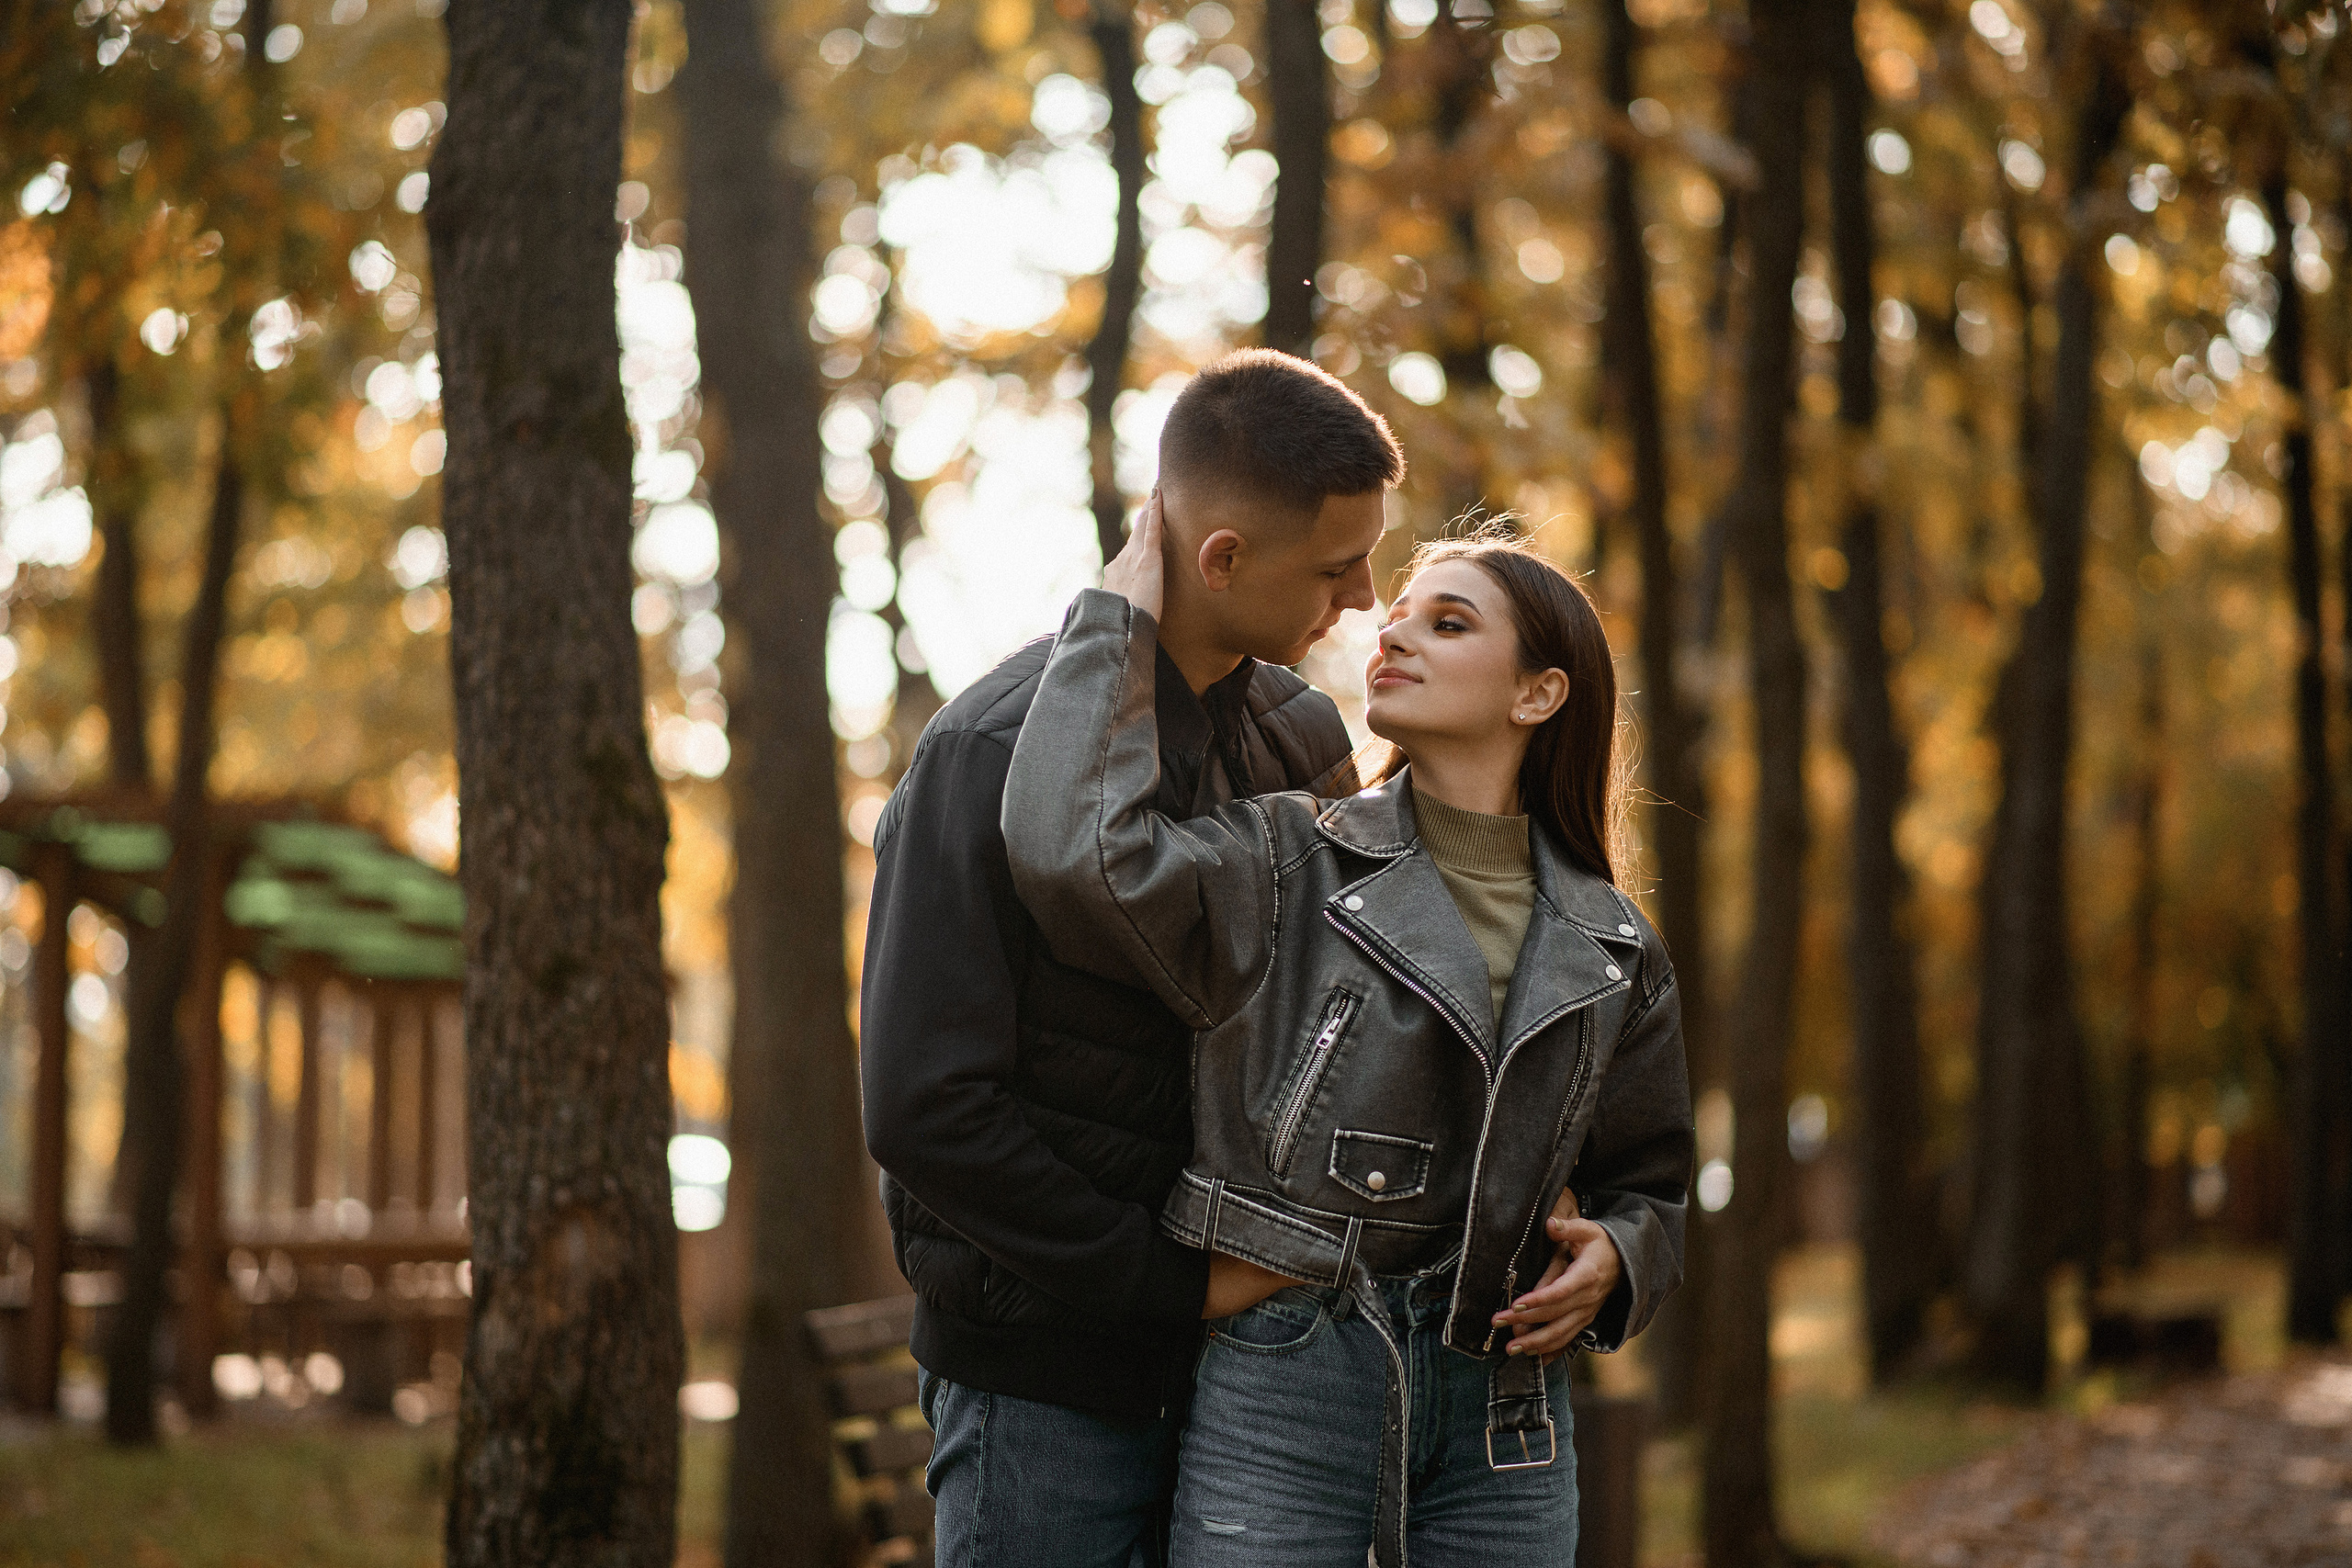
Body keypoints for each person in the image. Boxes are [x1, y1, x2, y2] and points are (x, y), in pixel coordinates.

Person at [1001, 505, 1693, 1568]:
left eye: (1448, 623)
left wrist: (1619, 1254)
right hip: (1286, 1383)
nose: (1393, 634)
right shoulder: (1281, 861)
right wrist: (1113, 622)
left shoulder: (1615, 945)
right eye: (1398, 616)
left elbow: (1649, 1182)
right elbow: (1073, 851)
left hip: (1506, 1417)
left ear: (1538, 693)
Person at [861, 349, 1401, 1567]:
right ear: (1221, 560)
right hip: (1043, 1394)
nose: (1364, 598)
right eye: (1334, 566)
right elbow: (924, 1106)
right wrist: (1166, 1281)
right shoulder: (984, 753)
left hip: (1257, 1378)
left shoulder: (1305, 738)